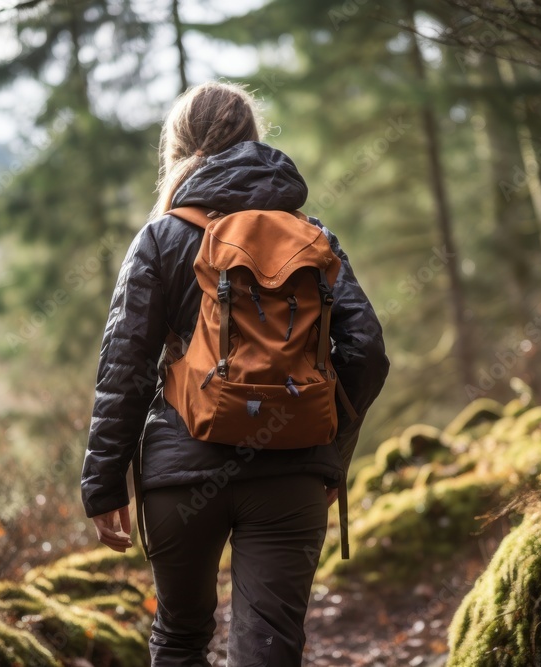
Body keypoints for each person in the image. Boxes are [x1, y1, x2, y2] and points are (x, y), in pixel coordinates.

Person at [81, 81, 389, 667]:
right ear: (253, 141)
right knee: (269, 646)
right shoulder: (313, 238)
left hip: (182, 471)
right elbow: (367, 353)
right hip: (291, 471)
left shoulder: (161, 237)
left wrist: (102, 483)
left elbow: (124, 366)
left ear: (177, 149)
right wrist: (330, 453)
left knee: (179, 637)